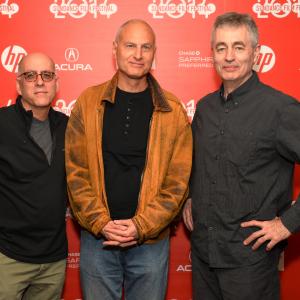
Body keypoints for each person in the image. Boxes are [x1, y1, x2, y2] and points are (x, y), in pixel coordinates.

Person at [65, 19, 192, 300]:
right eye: (130, 45)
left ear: (154, 52)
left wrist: (141, 226)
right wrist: (100, 222)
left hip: (150, 243)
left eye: (146, 47)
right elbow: (76, 172)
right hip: (98, 239)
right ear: (115, 49)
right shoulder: (88, 102)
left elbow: (177, 182)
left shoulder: (172, 109)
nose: (138, 54)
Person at [183, 12, 300, 300]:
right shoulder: (205, 109)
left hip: (251, 263)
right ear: (212, 54)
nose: (229, 56)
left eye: (239, 47)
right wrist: (189, 196)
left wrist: (288, 222)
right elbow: (197, 164)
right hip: (203, 255)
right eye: (221, 48)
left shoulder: (280, 109)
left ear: (256, 54)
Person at [0, 53, 68, 300]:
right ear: (18, 84)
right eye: (30, 75)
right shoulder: (2, 124)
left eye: (47, 75)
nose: (40, 81)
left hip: (54, 261)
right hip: (7, 258)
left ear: (56, 84)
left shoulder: (70, 128)